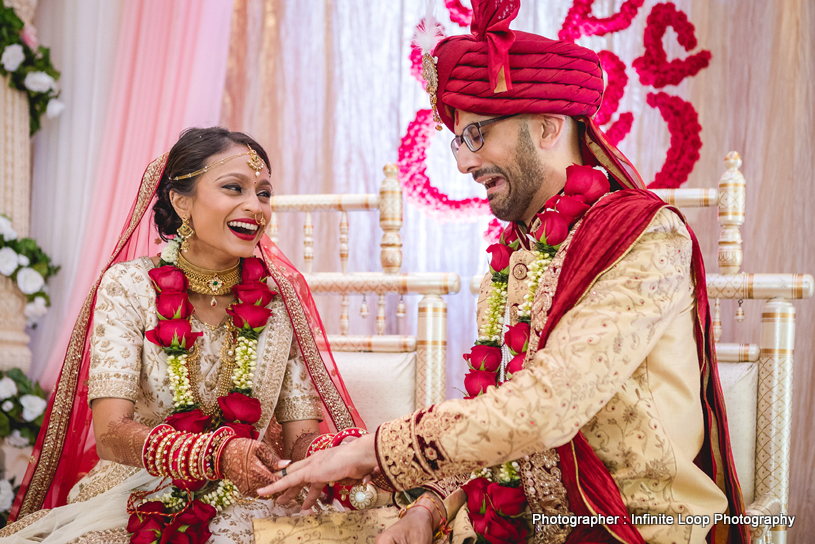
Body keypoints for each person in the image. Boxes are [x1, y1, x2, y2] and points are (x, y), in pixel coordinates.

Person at [259, 2, 749, 544]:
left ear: (545, 126)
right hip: (516, 526)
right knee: (280, 537)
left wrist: (374, 449)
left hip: (627, 528)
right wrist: (429, 509)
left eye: (476, 136)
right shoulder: (526, 248)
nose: (464, 164)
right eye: (458, 142)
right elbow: (495, 417)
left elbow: (546, 404)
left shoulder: (643, 237)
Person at [0, 127, 371, 543]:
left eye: (264, 193)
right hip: (138, 493)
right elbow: (109, 433)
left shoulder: (280, 299)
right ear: (181, 201)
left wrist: (343, 453)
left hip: (255, 496)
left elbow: (300, 434)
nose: (256, 207)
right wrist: (214, 455)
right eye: (234, 188)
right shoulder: (129, 286)